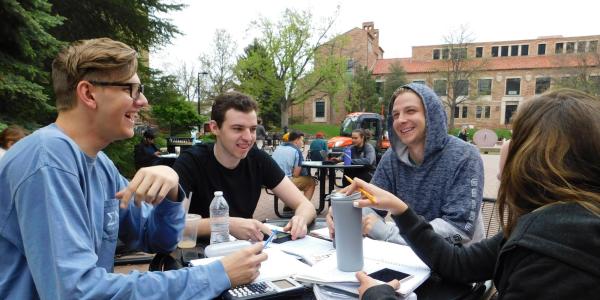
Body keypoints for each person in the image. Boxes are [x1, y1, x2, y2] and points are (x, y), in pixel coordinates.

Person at [0, 38, 267, 299]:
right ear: (88, 94)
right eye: (132, 89)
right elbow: (76, 292)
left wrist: (173, 190)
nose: (143, 101)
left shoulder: (100, 165)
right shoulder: (48, 162)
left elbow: (158, 239)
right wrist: (216, 275)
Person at [353, 89, 600, 299]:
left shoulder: (550, 254)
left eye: (515, 136)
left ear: (541, 155)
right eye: (395, 115)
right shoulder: (543, 224)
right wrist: (401, 211)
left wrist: (379, 296)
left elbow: (457, 232)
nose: (505, 144)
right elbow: (459, 264)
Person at [328, 83, 485, 246]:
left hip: (458, 261)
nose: (401, 120)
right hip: (408, 255)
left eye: (411, 111)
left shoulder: (465, 156)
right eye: (395, 115)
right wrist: (345, 213)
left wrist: (387, 233)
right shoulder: (392, 157)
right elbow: (372, 205)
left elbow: (459, 230)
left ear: (431, 115)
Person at [172, 92, 316, 242]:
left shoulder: (258, 159)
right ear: (214, 128)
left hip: (244, 252)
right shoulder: (191, 162)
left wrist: (300, 219)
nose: (248, 138)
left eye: (253, 129)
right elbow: (173, 227)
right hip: (199, 256)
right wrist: (225, 224)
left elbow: (305, 205)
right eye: (238, 128)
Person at [272, 131, 316, 201]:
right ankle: (304, 206)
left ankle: (288, 206)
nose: (302, 142)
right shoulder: (296, 151)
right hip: (283, 183)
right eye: (302, 140)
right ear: (296, 140)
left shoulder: (278, 148)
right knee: (311, 181)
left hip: (271, 182)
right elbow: (296, 174)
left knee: (292, 178)